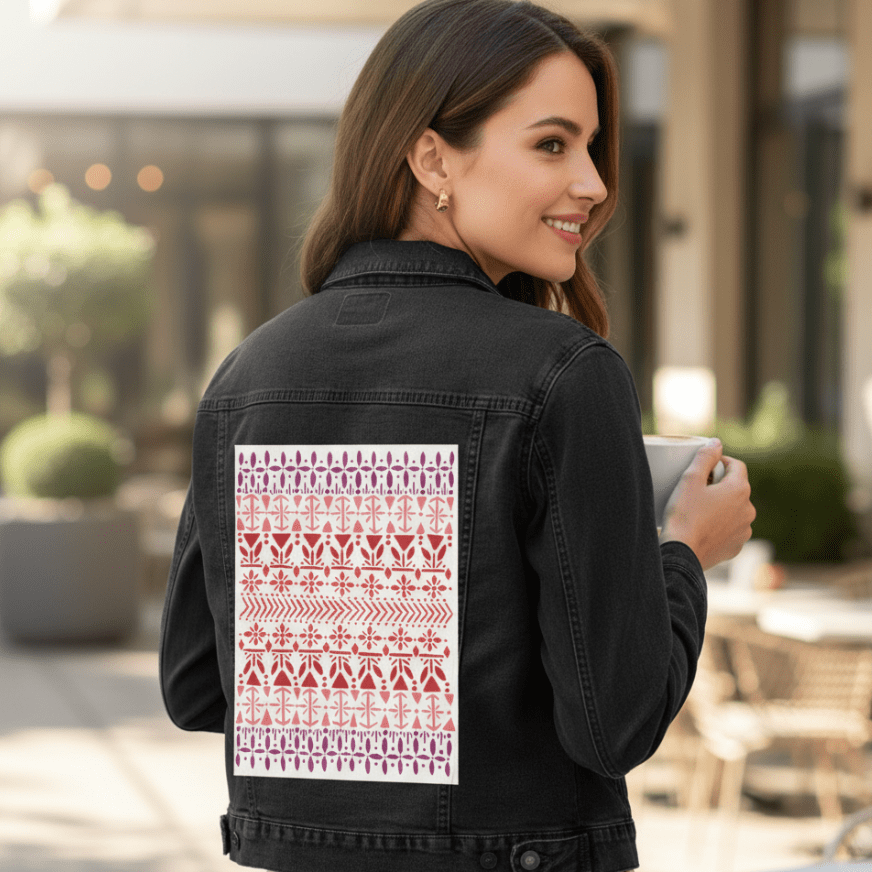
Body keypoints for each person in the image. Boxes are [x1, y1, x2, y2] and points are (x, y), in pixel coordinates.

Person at [159, 1, 755, 870]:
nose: (593, 184)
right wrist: (684, 554)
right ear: (433, 157)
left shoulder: (247, 376)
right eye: (552, 144)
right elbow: (613, 725)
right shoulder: (562, 372)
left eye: (590, 148)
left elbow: (195, 687)